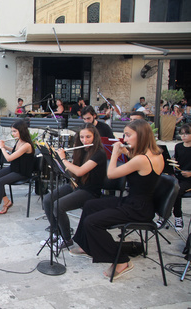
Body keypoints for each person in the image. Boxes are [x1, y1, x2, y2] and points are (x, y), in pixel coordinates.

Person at [70, 119, 164, 280]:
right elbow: (139, 168)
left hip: (137, 208)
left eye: (128, 135)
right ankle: (86, 245)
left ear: (140, 135)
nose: (124, 139)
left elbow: (111, 174)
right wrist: (126, 152)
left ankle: (121, 260)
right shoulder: (154, 154)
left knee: (92, 222)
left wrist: (114, 154)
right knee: (90, 205)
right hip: (136, 202)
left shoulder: (141, 160)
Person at [42, 123, 106, 250]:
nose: (85, 140)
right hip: (78, 185)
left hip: (90, 191)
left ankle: (67, 239)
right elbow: (72, 172)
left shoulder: (99, 154)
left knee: (58, 205)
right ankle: (57, 232)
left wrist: (64, 160)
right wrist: (58, 160)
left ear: (95, 137)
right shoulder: (82, 150)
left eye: (88, 137)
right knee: (48, 199)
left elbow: (80, 171)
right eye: (82, 137)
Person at [0, 119, 35, 218]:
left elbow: (8, 158)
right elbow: (14, 151)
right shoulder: (19, 141)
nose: (13, 134)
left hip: (22, 172)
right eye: (12, 131)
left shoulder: (27, 145)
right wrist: (2, 145)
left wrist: (2, 147)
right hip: (15, 168)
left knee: (0, 182)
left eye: (15, 131)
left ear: (22, 131)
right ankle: (7, 202)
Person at [158, 123, 191, 230]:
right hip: (178, 176)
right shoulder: (178, 146)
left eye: (187, 134)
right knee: (166, 187)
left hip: (189, 179)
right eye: (182, 134)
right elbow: (176, 161)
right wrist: (173, 162)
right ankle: (166, 215)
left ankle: (174, 216)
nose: (184, 136)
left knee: (176, 191)